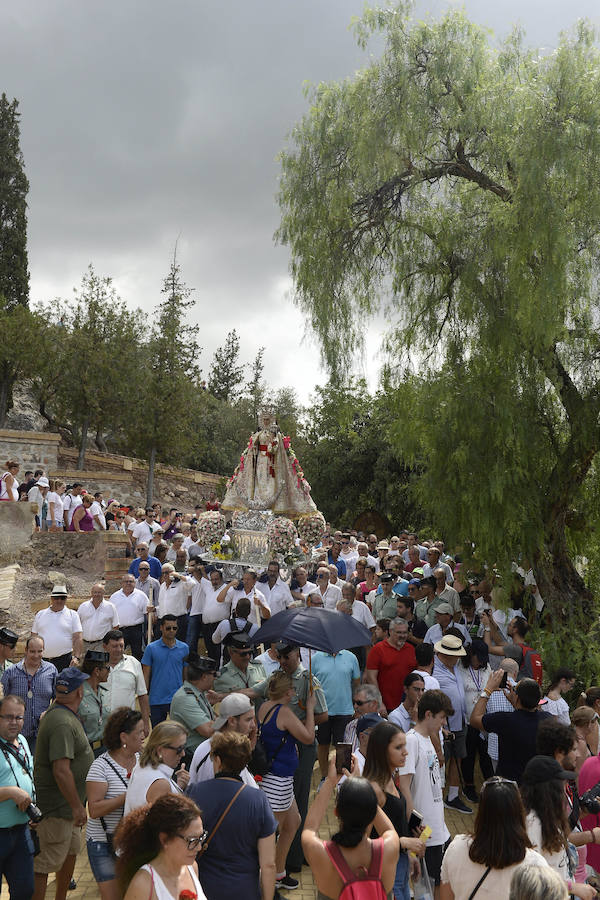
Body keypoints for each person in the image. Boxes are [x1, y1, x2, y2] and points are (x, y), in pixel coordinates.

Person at [186, 731, 277, 900]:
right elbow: (268, 864)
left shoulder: (195, 792)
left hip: (203, 888)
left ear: (218, 761)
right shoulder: (258, 799)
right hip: (244, 890)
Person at [32, 667, 95, 900]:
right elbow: (61, 770)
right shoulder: (61, 722)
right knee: (44, 864)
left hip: (68, 808)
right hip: (57, 808)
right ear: (79, 691)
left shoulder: (64, 715)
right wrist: (78, 806)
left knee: (69, 856)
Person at [440, 775, 549, 900]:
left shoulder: (456, 848)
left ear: (481, 813)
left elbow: (445, 896)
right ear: (518, 814)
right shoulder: (535, 864)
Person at [303, 761, 399, 900]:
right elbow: (387, 829)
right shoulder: (389, 848)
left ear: (336, 812)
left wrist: (330, 782)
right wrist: (362, 786)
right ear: (372, 814)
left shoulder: (323, 854)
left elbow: (309, 829)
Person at [257, 670, 316, 891]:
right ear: (285, 692)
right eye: (291, 688)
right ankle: (267, 880)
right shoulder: (283, 712)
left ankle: (279, 872)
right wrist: (310, 707)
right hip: (278, 780)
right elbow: (308, 737)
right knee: (271, 832)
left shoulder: (265, 706)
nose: (294, 691)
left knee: (293, 823)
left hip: (275, 776)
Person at [398, 689, 455, 893]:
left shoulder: (428, 739)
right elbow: (404, 786)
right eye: (442, 717)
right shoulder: (411, 741)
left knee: (440, 886)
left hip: (438, 830)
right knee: (426, 890)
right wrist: (414, 827)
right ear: (429, 714)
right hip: (424, 832)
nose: (444, 723)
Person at [86, 708, 145, 900]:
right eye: (140, 732)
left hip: (131, 842)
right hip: (103, 843)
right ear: (124, 737)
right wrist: (128, 795)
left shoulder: (143, 761)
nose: (144, 736)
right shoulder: (100, 766)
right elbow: (94, 809)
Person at [363, 721, 425, 899]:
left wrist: (410, 855)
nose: (405, 752)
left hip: (400, 869)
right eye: (398, 747)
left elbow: (395, 827)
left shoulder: (390, 779)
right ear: (382, 750)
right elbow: (362, 844)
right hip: (384, 876)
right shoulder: (374, 789)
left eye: (404, 746)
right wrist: (404, 843)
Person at [521, 756, 596, 899]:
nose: (565, 785)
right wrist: (573, 887)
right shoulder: (532, 824)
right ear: (547, 788)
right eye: (561, 782)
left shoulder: (546, 814)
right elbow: (532, 877)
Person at [115, 793, 207, 900]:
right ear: (164, 839)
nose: (199, 847)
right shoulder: (143, 884)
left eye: (201, 837)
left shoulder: (192, 868)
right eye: (192, 840)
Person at [471, 672, 552, 782]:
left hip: (509, 787)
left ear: (517, 697)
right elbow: (528, 713)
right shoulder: (548, 719)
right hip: (536, 783)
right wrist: (516, 702)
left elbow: (474, 719)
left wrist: (488, 690)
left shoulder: (505, 720)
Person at [0, 694, 36, 900]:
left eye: (19, 717)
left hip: (21, 832)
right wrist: (11, 792)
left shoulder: (22, 740)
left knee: (25, 890)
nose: (14, 722)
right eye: (8, 717)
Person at [432, 634, 471, 813]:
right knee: (439, 761)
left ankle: (453, 796)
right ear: (445, 655)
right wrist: (442, 726)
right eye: (456, 655)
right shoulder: (434, 671)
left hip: (459, 722)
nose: (458, 658)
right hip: (443, 728)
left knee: (458, 758)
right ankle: (435, 797)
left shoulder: (454, 667)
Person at [188, 693, 258, 788]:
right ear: (232, 721)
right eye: (248, 720)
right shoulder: (215, 752)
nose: (253, 725)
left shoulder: (228, 747)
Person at [1, 636, 56, 756]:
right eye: (32, 651)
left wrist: (49, 711)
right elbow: (3, 701)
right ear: (26, 650)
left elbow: (58, 698)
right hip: (16, 734)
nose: (36, 655)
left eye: (40, 651)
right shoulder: (10, 672)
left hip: (41, 734)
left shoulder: (51, 670)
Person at [311, 647, 360, 778]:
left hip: (345, 710)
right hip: (322, 711)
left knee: (344, 747)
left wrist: (356, 705)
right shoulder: (315, 658)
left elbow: (356, 683)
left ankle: (342, 779)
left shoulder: (351, 657)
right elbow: (311, 684)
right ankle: (324, 777)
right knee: (323, 745)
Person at [124, 721, 190, 815]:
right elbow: (162, 825)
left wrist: (177, 786)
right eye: (179, 749)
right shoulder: (160, 783)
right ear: (160, 750)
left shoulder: (142, 766)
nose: (183, 754)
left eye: (184, 747)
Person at [459, 639, 494, 802]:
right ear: (470, 654)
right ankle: (469, 786)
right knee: (468, 755)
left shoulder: (487, 668)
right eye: (477, 657)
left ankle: (490, 788)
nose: (480, 661)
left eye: (482, 658)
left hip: (484, 720)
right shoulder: (460, 667)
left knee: (486, 755)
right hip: (466, 720)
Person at [169, 655, 218, 767]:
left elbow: (213, 721)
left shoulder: (198, 693)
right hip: (190, 759)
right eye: (214, 674)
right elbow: (208, 730)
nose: (215, 678)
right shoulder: (185, 697)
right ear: (204, 677)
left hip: (201, 755)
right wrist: (227, 718)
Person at [141, 614, 189, 727]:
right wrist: (145, 699)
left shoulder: (184, 648)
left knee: (179, 734)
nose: (171, 631)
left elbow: (186, 676)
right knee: (158, 737)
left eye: (174, 628)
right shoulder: (151, 648)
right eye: (168, 628)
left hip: (178, 699)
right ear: (161, 628)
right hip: (156, 700)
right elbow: (145, 676)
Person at [101, 630, 150, 738]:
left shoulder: (134, 663)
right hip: (101, 725)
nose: (118, 650)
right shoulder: (97, 666)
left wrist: (146, 723)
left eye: (121, 646)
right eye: (114, 646)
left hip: (126, 724)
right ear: (105, 646)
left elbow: (142, 695)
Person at [365, 617, 417, 714]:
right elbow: (371, 677)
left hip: (407, 707)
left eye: (404, 633)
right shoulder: (378, 649)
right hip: (385, 707)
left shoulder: (411, 650)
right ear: (390, 631)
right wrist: (379, 702)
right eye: (399, 632)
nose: (402, 636)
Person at [31, 584, 83, 672]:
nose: (59, 600)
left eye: (62, 598)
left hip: (64, 660)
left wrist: (77, 657)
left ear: (66, 599)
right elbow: (33, 637)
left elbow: (78, 637)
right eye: (56, 598)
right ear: (51, 599)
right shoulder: (40, 614)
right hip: (42, 660)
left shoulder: (72, 615)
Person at [108, 576, 150, 660]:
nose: (128, 583)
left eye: (131, 581)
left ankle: (137, 672)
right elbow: (110, 615)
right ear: (121, 583)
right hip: (120, 630)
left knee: (138, 653)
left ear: (135, 583)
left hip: (137, 630)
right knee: (117, 653)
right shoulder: (114, 597)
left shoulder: (141, 595)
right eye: (126, 581)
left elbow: (148, 614)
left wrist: (149, 629)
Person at [213, 632, 266, 698]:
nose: (247, 657)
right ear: (231, 652)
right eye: (243, 654)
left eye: (250, 653)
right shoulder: (221, 677)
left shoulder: (258, 667)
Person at [79, 650, 110, 756]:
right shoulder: (79, 694)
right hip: (85, 751)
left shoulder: (104, 693)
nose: (109, 672)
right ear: (97, 671)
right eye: (107, 668)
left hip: (105, 749)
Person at [78, 584, 120, 653]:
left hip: (101, 645)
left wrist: (110, 643)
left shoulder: (110, 607)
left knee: (99, 664)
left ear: (103, 593)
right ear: (91, 593)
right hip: (84, 644)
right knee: (84, 664)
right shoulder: (83, 606)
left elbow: (116, 626)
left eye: (99, 592)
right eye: (95, 592)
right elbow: (77, 624)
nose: (97, 594)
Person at [344, 684, 382, 752]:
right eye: (354, 703)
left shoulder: (386, 728)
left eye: (359, 703)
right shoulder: (350, 726)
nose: (355, 706)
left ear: (374, 704)